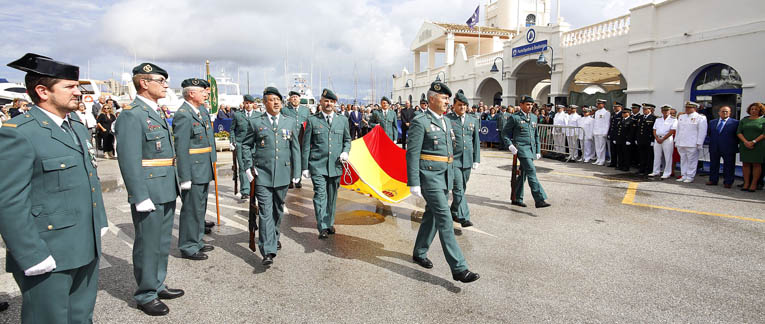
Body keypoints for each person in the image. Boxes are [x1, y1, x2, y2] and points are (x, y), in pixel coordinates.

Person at [0, 53, 107, 324]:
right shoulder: (19, 132)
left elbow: (89, 180)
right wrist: (31, 254)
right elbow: (9, 200)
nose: (78, 91)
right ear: (42, 91)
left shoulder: (77, 128)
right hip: (49, 249)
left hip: (85, 243)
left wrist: (100, 222)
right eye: (69, 86)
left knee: (81, 316)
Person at [115, 63, 183, 316]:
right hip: (149, 189)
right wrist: (138, 194)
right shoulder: (132, 114)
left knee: (162, 241)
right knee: (147, 243)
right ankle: (145, 294)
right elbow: (128, 158)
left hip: (165, 184)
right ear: (144, 83)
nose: (166, 85)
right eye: (162, 80)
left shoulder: (155, 111)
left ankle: (157, 283)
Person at [407, 81, 479, 283]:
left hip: (445, 175)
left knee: (431, 215)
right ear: (432, 99)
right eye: (444, 98)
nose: (447, 101)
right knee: (445, 218)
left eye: (448, 98)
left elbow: (451, 151)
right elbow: (412, 154)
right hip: (429, 177)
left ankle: (419, 252)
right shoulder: (420, 121)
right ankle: (459, 268)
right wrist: (413, 182)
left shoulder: (447, 122)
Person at [241, 87, 300, 266]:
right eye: (272, 100)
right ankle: (268, 250)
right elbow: (245, 145)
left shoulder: (289, 122)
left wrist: (297, 173)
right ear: (265, 103)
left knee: (277, 210)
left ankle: (274, 236)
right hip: (262, 175)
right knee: (265, 212)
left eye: (278, 100)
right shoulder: (255, 122)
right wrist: (248, 167)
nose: (276, 103)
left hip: (283, 174)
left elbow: (295, 148)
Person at [173, 78, 217, 261]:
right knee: (191, 210)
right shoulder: (183, 114)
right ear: (191, 93)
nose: (206, 93)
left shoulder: (199, 111)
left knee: (200, 208)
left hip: (203, 169)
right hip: (192, 171)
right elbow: (181, 148)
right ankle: (188, 246)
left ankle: (197, 240)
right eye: (202, 91)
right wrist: (184, 177)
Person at [301, 89, 351, 239]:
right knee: (320, 195)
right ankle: (322, 225)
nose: (328, 104)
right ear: (321, 102)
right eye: (325, 101)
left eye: (331, 101)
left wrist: (345, 151)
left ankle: (329, 222)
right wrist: (305, 166)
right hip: (318, 165)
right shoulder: (312, 120)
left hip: (335, 165)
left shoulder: (342, 120)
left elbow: (347, 140)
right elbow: (306, 145)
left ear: (335, 103)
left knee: (332, 196)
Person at [503, 95, 551, 209]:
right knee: (531, 171)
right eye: (527, 104)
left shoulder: (534, 117)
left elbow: (536, 135)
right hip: (522, 149)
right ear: (521, 105)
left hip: (531, 149)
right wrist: (510, 145)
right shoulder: (515, 118)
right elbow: (504, 133)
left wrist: (538, 150)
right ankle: (539, 199)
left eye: (531, 104)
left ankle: (516, 198)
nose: (530, 107)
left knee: (523, 174)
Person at [447, 90, 480, 227]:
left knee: (462, 188)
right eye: (460, 105)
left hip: (467, 159)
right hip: (454, 160)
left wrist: (476, 159)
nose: (462, 107)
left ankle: (453, 211)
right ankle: (463, 217)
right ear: (454, 105)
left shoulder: (472, 120)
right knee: (458, 188)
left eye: (465, 105)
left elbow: (475, 141)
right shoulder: (448, 119)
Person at [230, 95, 260, 199]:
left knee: (254, 166)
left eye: (250, 103)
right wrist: (232, 141)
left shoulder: (259, 115)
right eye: (246, 103)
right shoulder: (237, 115)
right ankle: (245, 191)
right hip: (241, 144)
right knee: (243, 167)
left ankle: (255, 189)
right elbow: (232, 129)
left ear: (253, 104)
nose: (248, 105)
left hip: (254, 145)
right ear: (243, 104)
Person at [675, 101, 708, 183]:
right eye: (686, 107)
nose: (687, 109)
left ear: (695, 108)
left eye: (689, 107)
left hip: (692, 143)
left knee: (692, 161)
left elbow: (702, 131)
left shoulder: (700, 117)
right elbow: (678, 130)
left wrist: (699, 143)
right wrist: (676, 140)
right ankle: (684, 175)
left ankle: (690, 176)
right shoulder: (681, 116)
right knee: (683, 159)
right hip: (681, 142)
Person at [706, 106, 739, 188]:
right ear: (719, 112)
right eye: (723, 111)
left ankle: (728, 182)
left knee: (729, 165)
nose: (724, 113)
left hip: (729, 147)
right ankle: (713, 180)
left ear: (730, 113)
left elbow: (737, 135)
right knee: (714, 164)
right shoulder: (712, 122)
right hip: (714, 147)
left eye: (726, 111)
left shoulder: (735, 123)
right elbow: (710, 134)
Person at [736, 102, 765, 192]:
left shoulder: (763, 120)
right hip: (745, 145)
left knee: (756, 164)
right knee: (745, 164)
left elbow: (764, 133)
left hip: (758, 145)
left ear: (760, 110)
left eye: (756, 109)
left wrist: (753, 142)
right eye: (752, 109)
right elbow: (739, 132)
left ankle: (754, 184)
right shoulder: (744, 120)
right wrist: (746, 142)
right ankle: (746, 183)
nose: (754, 111)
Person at [649, 105, 678, 179]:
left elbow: (672, 131)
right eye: (664, 110)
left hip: (667, 139)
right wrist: (656, 138)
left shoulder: (673, 119)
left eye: (667, 110)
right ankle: (656, 171)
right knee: (657, 156)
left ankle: (667, 172)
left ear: (669, 111)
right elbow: (654, 129)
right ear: (661, 111)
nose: (665, 112)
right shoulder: (658, 119)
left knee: (668, 157)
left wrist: (663, 138)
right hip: (658, 138)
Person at [635, 104, 657, 175]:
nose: (644, 111)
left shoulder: (653, 118)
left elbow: (653, 130)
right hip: (641, 139)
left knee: (649, 156)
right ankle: (641, 169)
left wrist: (652, 140)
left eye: (645, 109)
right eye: (643, 109)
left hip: (648, 140)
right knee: (641, 155)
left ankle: (648, 169)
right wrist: (637, 138)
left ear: (650, 110)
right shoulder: (640, 117)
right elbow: (638, 129)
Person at [592, 99, 611, 166]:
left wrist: (605, 132)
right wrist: (594, 131)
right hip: (596, 132)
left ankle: (602, 160)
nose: (598, 105)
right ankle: (598, 159)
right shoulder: (596, 112)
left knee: (602, 147)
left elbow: (607, 123)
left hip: (602, 132)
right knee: (597, 147)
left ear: (603, 104)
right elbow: (595, 123)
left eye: (600, 104)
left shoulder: (606, 112)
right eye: (598, 104)